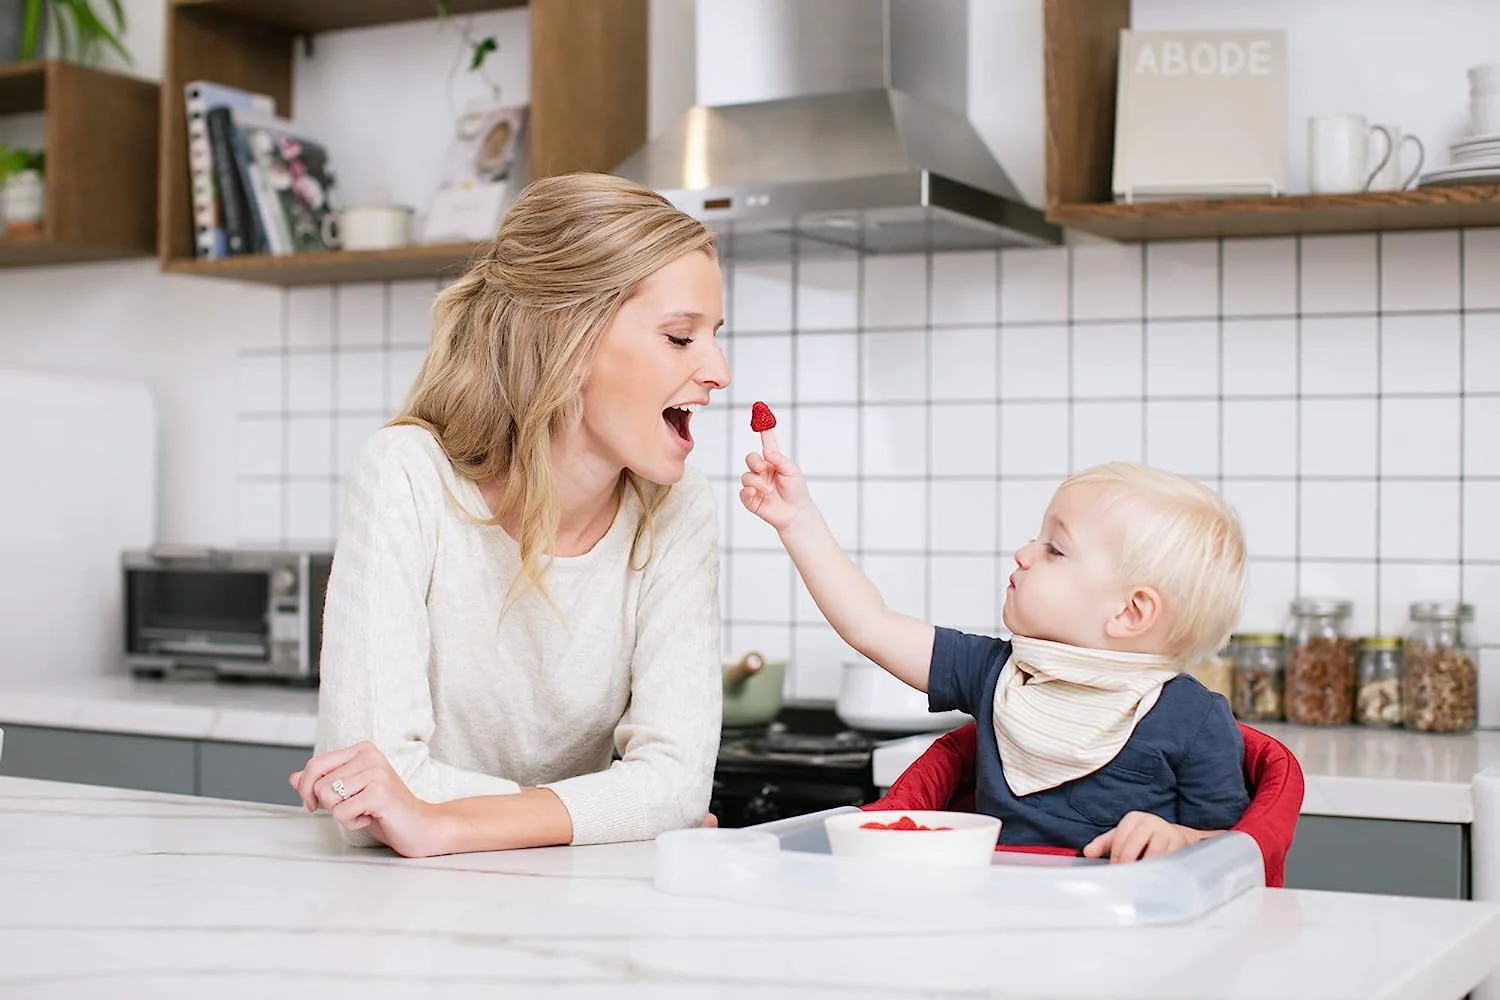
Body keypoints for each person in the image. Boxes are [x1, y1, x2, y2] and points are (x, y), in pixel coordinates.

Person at [288, 172, 730, 858]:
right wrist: (620, 810)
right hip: (398, 913)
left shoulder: (676, 508)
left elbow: (676, 787)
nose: (719, 370)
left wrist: (440, 822)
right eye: (680, 338)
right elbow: (369, 782)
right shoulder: (407, 474)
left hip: (577, 917)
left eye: (715, 335)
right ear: (567, 336)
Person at [740, 428, 1251, 862]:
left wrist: (1181, 839)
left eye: (1054, 549)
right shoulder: (996, 672)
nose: (1024, 553)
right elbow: (870, 624)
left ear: (1129, 612)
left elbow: (1238, 852)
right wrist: (798, 520)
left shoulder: (1196, 720)